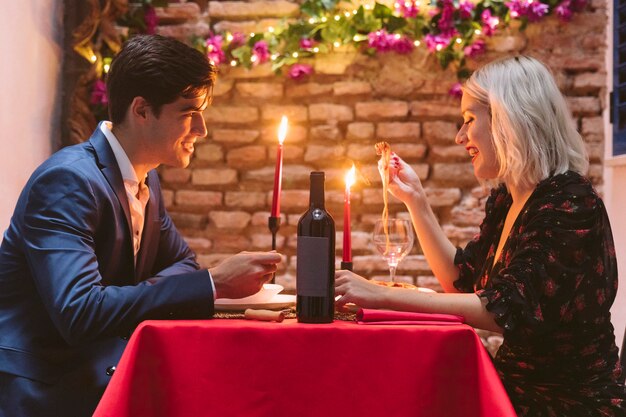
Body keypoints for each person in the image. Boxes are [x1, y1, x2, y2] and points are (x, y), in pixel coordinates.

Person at [0, 34, 281, 417]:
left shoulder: (144, 178)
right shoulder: (68, 181)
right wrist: (213, 284)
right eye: (188, 112)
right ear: (142, 110)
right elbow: (81, 312)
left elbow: (182, 260)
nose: (202, 129)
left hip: (100, 383)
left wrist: (121, 296)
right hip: (42, 395)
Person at [335, 56, 625, 416]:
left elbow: (502, 309)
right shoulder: (509, 198)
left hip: (565, 405)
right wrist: (416, 201)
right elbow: (462, 283)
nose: (460, 136)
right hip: (513, 389)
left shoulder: (570, 201)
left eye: (469, 120)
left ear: (509, 120)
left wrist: (381, 295)